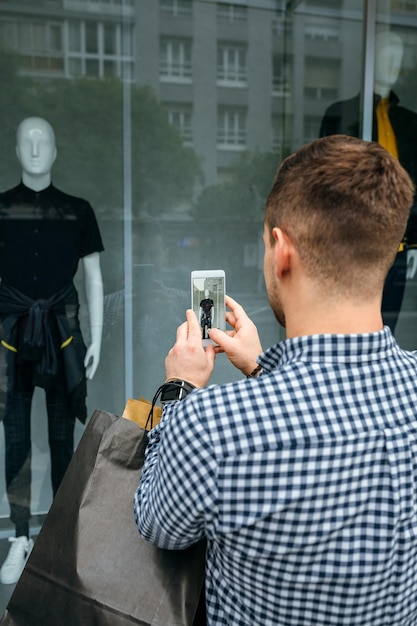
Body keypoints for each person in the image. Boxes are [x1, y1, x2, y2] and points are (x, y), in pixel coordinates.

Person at [134, 135, 417, 625]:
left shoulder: (212, 428)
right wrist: (261, 371)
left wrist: (179, 390)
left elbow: (157, 525)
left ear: (280, 251)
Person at [0, 117, 104, 585]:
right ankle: (20, 536)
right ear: (17, 150)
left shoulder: (78, 210)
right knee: (17, 439)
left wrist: (96, 337)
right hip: (11, 335)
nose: (37, 147)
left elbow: (94, 280)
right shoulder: (1, 209)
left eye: (45, 139)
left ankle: (61, 537)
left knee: (64, 442)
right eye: (28, 140)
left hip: (63, 334)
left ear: (57, 150)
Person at [320, 30, 417, 333]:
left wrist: (414, 242)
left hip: (399, 247)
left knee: (386, 326)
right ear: (370, 59)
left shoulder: (409, 122)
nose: (393, 61)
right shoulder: (341, 114)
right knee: (349, 327)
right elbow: (324, 183)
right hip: (351, 245)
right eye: (386, 53)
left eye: (397, 55)